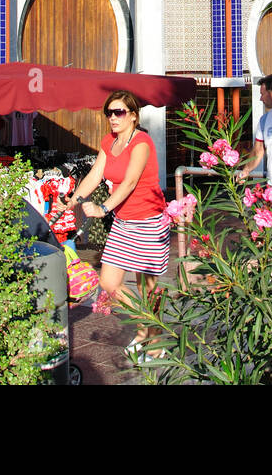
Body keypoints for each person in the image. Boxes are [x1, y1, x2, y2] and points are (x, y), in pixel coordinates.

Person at [62, 90, 168, 359]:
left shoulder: (141, 143)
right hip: (124, 221)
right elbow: (96, 175)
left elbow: (131, 182)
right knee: (109, 283)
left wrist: (103, 208)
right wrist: (74, 199)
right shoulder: (109, 142)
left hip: (149, 220)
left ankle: (153, 339)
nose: (113, 117)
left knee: (148, 288)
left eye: (119, 112)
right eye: (109, 112)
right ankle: (148, 327)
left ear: (133, 116)